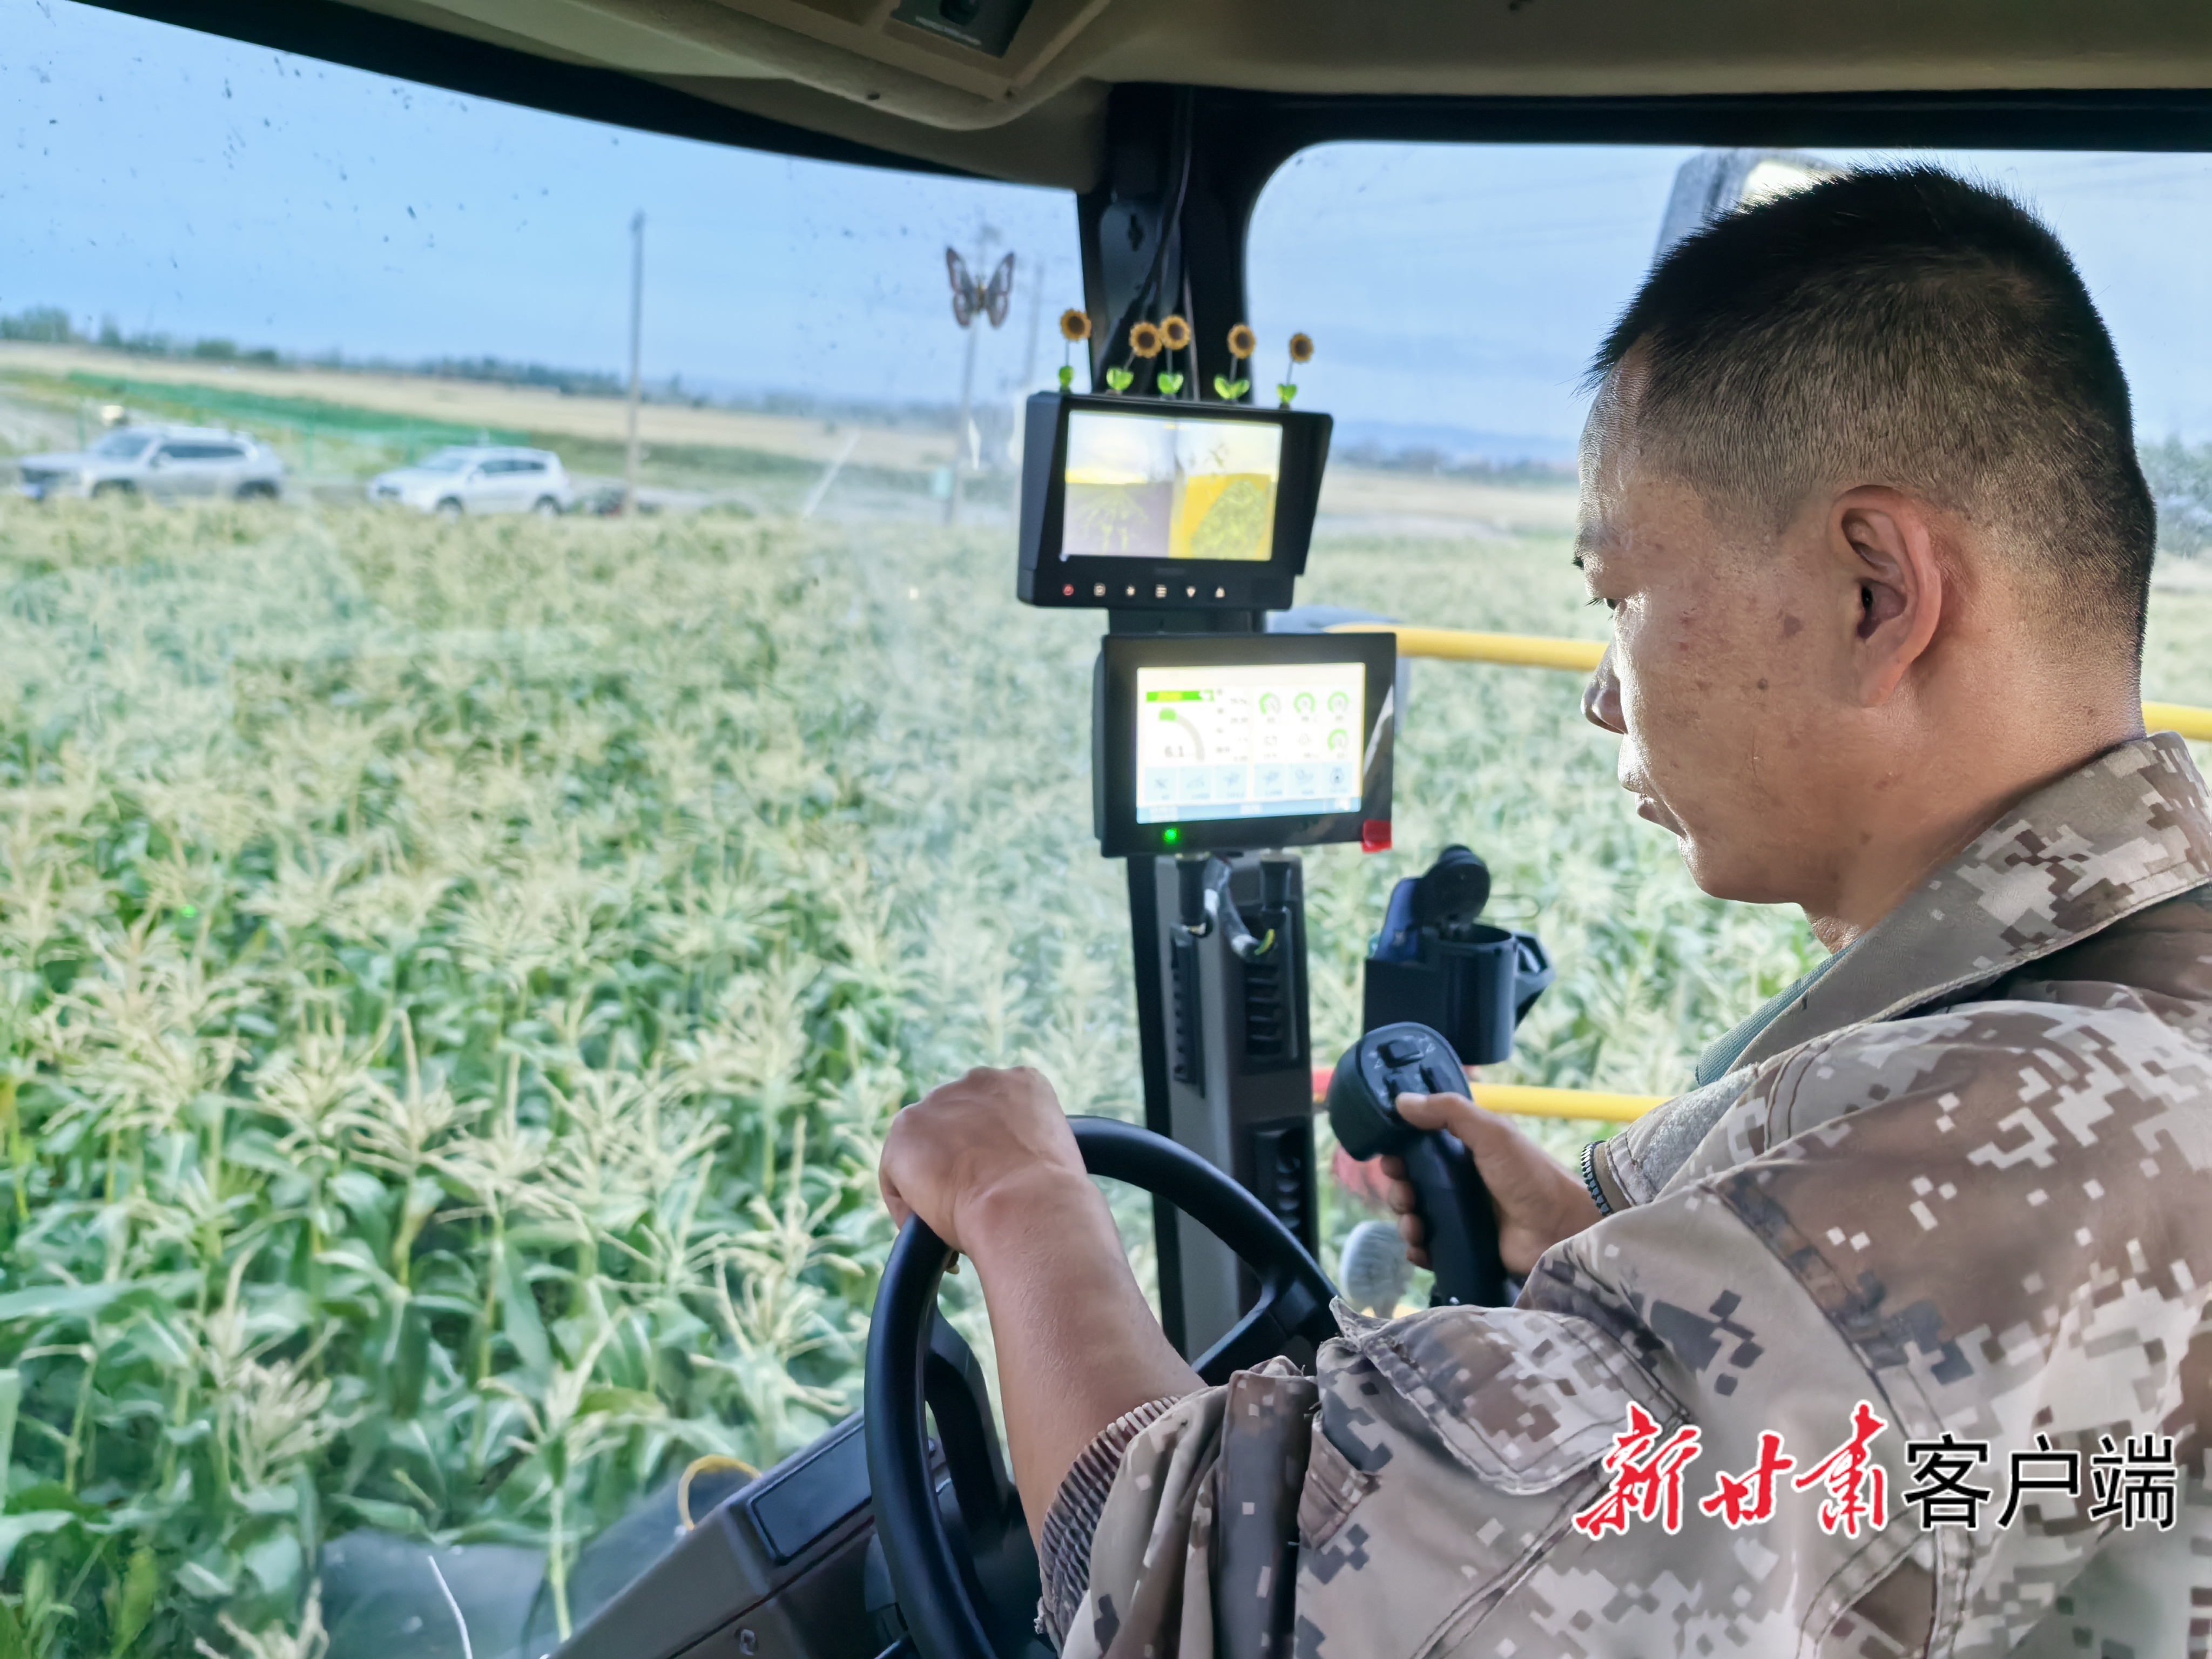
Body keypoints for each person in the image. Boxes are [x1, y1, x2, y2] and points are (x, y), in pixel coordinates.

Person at [878, 167, 2212, 1656]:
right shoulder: (2123, 1027)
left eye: (1620, 590)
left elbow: (1222, 1608)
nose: (1600, 690)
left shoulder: (2029, 1139)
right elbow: (1911, 1491)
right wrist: (1598, 1264)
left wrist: (1017, 1201)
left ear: (1875, 596)